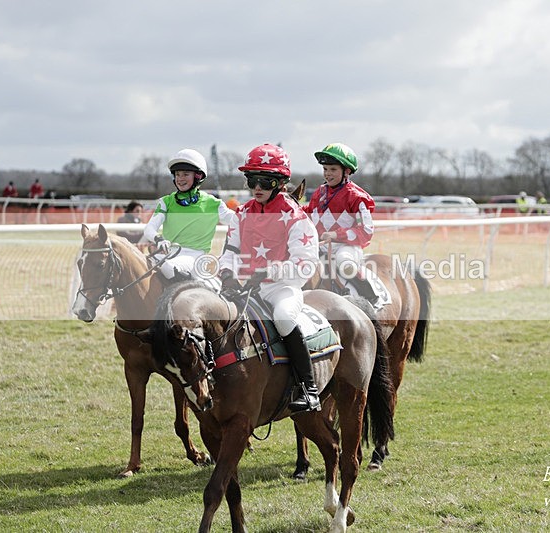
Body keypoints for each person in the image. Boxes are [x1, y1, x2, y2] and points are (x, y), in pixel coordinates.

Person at [219, 143, 321, 413]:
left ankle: (309, 389)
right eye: (252, 180)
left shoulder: (296, 217)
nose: (257, 187)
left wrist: (268, 272)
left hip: (281, 289)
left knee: (285, 317)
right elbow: (229, 251)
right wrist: (227, 275)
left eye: (265, 181)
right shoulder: (240, 214)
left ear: (280, 183)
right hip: (244, 288)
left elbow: (305, 263)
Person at [139, 148, 237, 288]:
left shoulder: (213, 204)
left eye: (185, 174)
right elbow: (149, 229)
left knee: (167, 267)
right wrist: (158, 239)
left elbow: (236, 220)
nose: (180, 178)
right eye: (177, 174)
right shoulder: (166, 202)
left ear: (198, 176)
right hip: (168, 254)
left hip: (195, 258)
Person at [304, 142, 376, 299]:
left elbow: (366, 230)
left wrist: (336, 235)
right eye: (325, 169)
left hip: (347, 247)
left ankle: (370, 296)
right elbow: (309, 214)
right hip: (320, 246)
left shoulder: (357, 197)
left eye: (333, 169)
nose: (328, 174)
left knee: (344, 262)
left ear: (346, 171)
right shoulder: (319, 193)